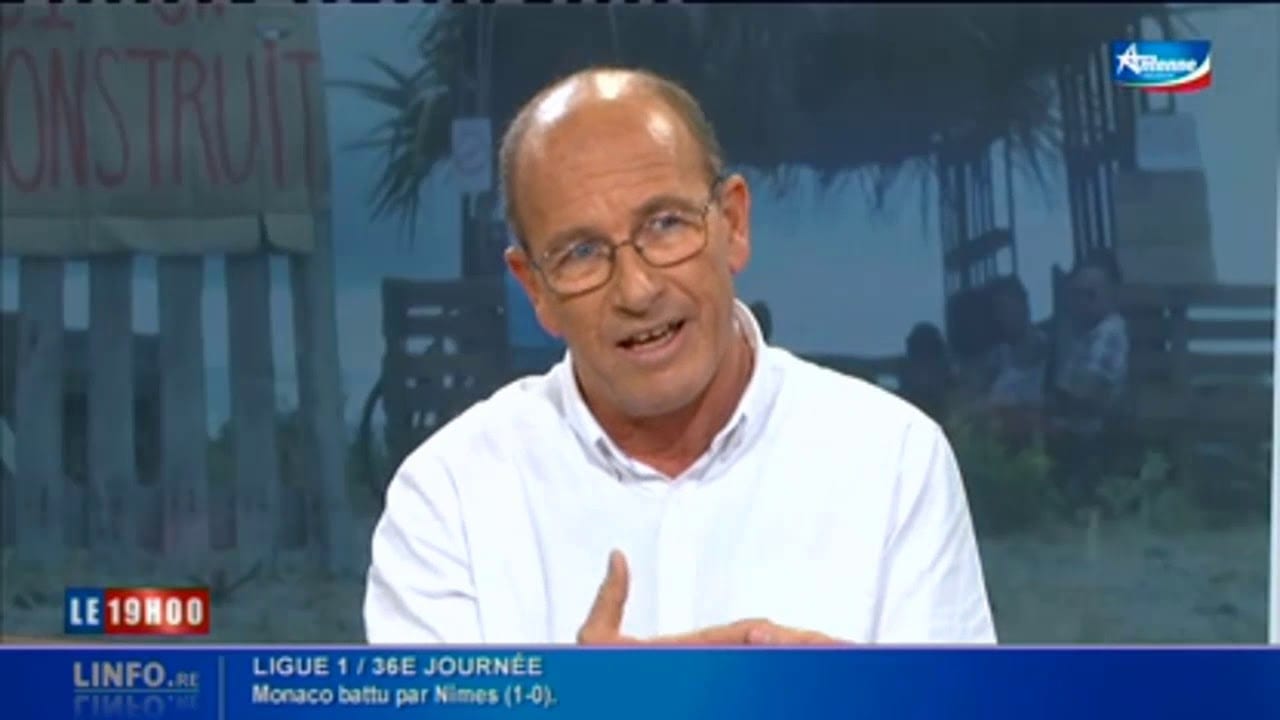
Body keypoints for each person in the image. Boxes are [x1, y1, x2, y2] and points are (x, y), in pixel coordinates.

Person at [364, 67, 995, 645]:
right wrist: (590, 706)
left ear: (734, 223)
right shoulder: (447, 499)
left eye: (665, 224)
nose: (637, 290)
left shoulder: (893, 459)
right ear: (536, 290)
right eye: (581, 253)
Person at [1047, 251, 1130, 508]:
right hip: (1079, 423)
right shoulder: (1086, 335)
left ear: (1113, 294)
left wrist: (1055, 403)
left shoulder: (1109, 332)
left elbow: (1086, 390)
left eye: (1091, 294)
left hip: (1091, 428)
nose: (1083, 302)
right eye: (1077, 295)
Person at [980, 277, 1050, 448]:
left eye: (1004, 308)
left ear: (1024, 305)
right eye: (995, 311)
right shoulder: (993, 361)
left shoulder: (1052, 352)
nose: (1000, 317)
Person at [898, 323, 955, 425]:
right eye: (918, 352)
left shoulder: (965, 413)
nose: (925, 362)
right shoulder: (890, 412)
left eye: (931, 351)